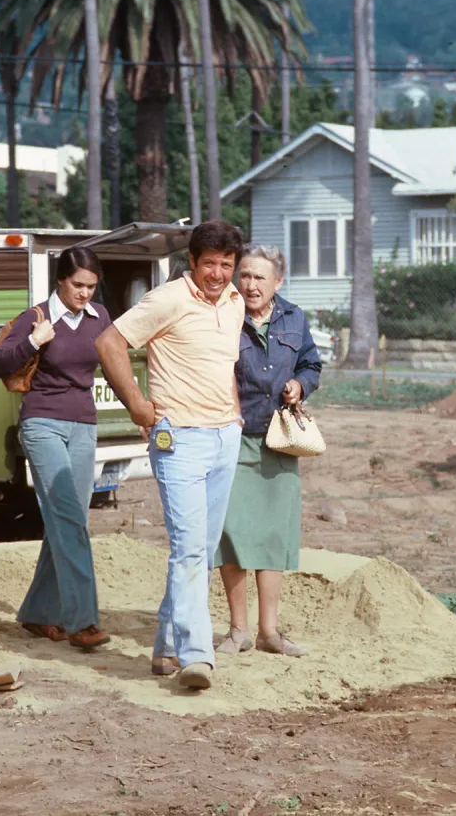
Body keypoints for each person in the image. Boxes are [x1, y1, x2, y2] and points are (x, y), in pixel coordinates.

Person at [96, 220, 246, 691]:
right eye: (209, 265)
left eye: (226, 265)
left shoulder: (236, 302)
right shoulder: (169, 298)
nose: (218, 275)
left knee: (200, 547)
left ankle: (164, 647)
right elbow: (109, 342)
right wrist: (137, 404)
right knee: (188, 549)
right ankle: (195, 655)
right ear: (192, 263)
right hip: (178, 439)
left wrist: (236, 417)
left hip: (225, 436)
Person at [0, 247, 112, 651]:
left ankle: (39, 614)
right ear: (60, 280)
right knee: (68, 519)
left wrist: (143, 413)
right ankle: (83, 621)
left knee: (68, 522)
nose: (84, 294)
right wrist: (32, 342)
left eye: (91, 287)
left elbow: (115, 365)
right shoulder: (37, 316)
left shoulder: (100, 318)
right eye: (78, 285)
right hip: (41, 423)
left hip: (84, 425)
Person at [213, 247, 322, 658]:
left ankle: (269, 632)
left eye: (260, 277)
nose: (250, 284)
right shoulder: (223, 315)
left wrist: (300, 385)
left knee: (274, 536)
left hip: (279, 439)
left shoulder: (295, 318)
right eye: (245, 275)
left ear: (278, 282)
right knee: (233, 534)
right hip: (233, 437)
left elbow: (311, 364)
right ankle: (238, 630)